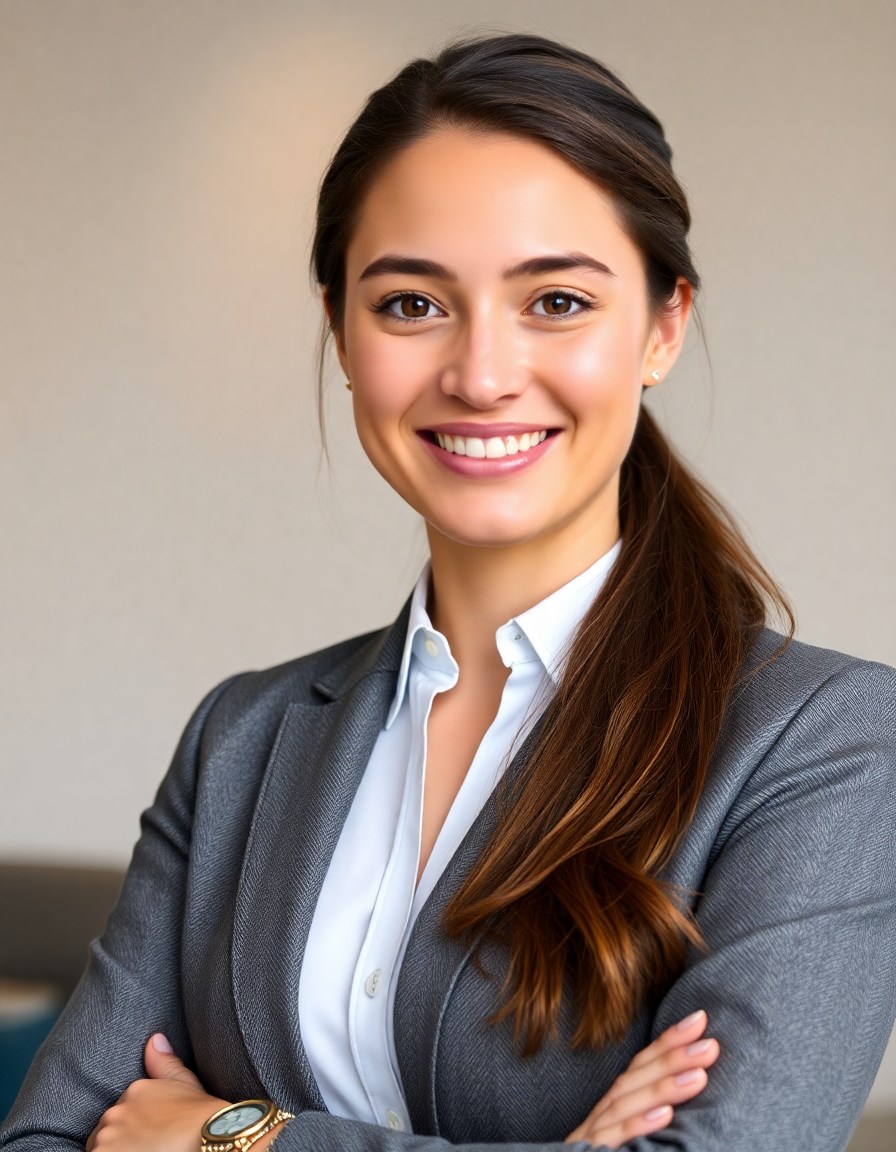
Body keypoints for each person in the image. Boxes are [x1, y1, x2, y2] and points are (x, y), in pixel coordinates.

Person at [2, 32, 894, 1152]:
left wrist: (238, 1136)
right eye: (411, 305)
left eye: (556, 302)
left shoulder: (825, 747)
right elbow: (46, 1141)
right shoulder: (244, 739)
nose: (478, 374)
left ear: (661, 327)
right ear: (338, 328)